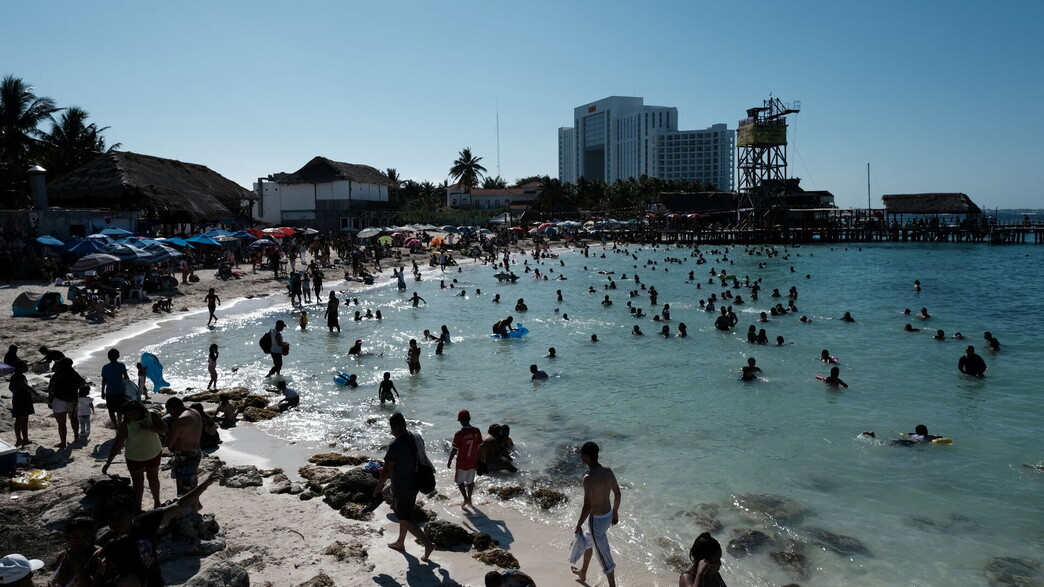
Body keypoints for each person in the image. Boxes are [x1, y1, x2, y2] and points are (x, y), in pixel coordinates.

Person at [101, 471, 222, 587]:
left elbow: (179, 505)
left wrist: (205, 484)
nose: (116, 522)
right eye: (112, 519)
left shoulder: (145, 522)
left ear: (131, 514)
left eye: (121, 516)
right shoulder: (107, 541)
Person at [372, 412, 436, 561]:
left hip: (402, 486)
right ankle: (400, 542)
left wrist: (378, 487)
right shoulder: (415, 437)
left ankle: (428, 544)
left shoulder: (396, 444)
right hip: (415, 483)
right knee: (405, 515)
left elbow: (387, 469)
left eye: (391, 428)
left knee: (404, 517)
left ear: (394, 427)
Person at [569, 441, 621, 587]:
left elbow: (587, 506)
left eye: (581, 455)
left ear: (586, 457)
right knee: (589, 541)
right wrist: (615, 513)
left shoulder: (588, 477)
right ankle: (583, 572)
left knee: (604, 555)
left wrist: (578, 525)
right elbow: (617, 493)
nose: (580, 457)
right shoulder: (607, 470)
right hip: (607, 516)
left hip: (596, 521)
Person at [102, 400, 167, 510]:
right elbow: (118, 442)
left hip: (153, 453)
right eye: (127, 414)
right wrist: (108, 462)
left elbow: (165, 429)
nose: (130, 416)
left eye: (132, 413)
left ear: (140, 411)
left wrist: (150, 428)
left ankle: (157, 502)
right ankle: (138, 507)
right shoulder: (126, 424)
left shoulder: (151, 416)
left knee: (153, 477)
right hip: (134, 456)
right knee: (137, 482)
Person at [165, 397, 203, 500]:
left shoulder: (180, 421)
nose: (170, 415)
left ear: (173, 409)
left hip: (184, 455)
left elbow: (170, 443)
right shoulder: (194, 412)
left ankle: (191, 510)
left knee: (185, 488)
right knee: (193, 483)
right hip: (196, 451)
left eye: (170, 412)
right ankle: (196, 505)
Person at [448, 409, 483, 508]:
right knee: (471, 481)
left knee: (460, 482)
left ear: (460, 421)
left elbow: (454, 450)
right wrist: (480, 459)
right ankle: (470, 498)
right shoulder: (477, 431)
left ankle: (465, 499)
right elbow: (480, 446)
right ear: (469, 419)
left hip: (462, 462)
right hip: (472, 461)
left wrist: (450, 460)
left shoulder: (459, 434)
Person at [48, 358, 86, 448]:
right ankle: (76, 437)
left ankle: (63, 442)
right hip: (73, 399)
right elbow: (83, 383)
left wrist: (50, 396)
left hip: (60, 400)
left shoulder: (58, 374)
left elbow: (51, 387)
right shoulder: (73, 373)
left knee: (61, 423)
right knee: (74, 419)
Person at [51, 516, 99, 587]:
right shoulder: (63, 556)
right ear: (67, 538)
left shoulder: (98, 557)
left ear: (93, 538)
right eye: (75, 537)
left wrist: (77, 564)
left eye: (85, 536)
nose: (80, 541)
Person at [100, 348, 130, 429]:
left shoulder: (105, 367)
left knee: (111, 410)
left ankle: (116, 425)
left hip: (110, 391)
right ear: (118, 356)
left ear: (108, 357)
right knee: (120, 409)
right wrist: (130, 388)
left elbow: (104, 380)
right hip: (120, 390)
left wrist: (102, 391)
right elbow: (126, 377)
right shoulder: (121, 365)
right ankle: (119, 424)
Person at [9, 361, 34, 447]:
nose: (27, 368)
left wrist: (17, 392)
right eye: (25, 366)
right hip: (23, 399)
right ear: (20, 368)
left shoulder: (13, 377)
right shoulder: (21, 376)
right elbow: (25, 386)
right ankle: (25, 439)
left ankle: (19, 439)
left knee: (18, 420)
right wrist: (35, 392)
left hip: (16, 398)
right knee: (24, 420)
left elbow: (10, 388)